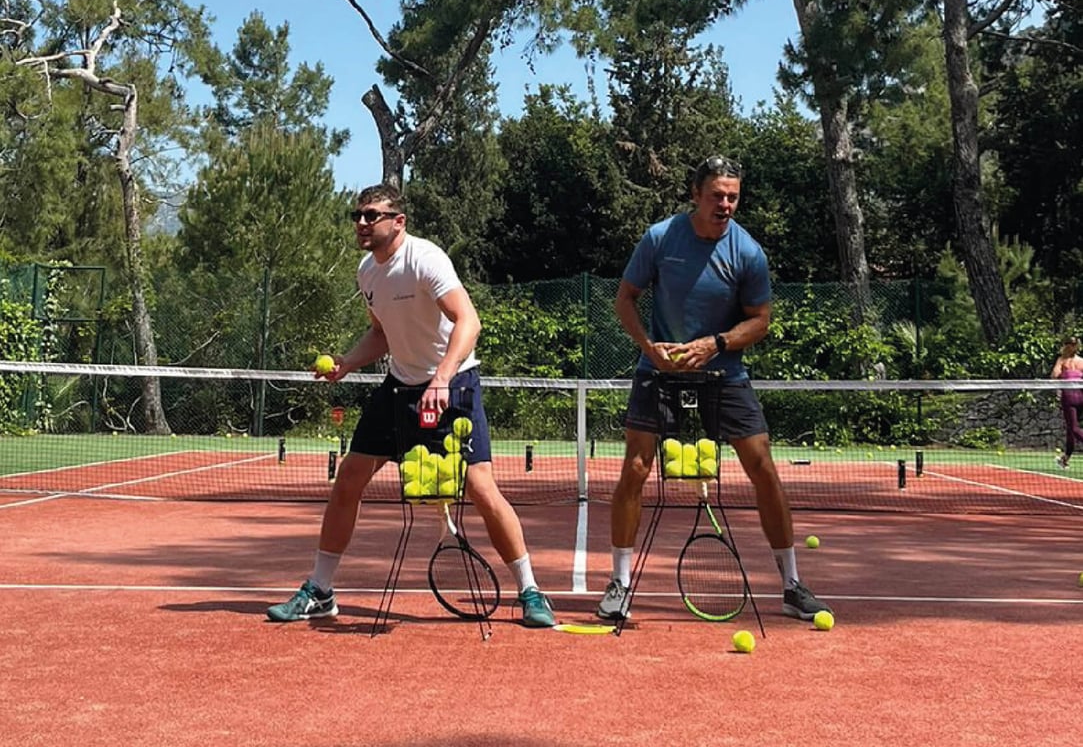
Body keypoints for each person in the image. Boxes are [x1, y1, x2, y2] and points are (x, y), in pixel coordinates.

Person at [267, 183, 556, 628]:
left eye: (371, 215)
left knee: (480, 488)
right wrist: (346, 362)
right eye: (357, 216)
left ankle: (530, 591)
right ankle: (320, 590)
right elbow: (381, 334)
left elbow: (469, 320)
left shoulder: (426, 259)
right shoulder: (367, 271)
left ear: (397, 221)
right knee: (348, 481)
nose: (362, 223)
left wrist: (441, 378)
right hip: (398, 389)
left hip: (453, 384)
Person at [597, 155, 832, 622]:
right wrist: (650, 347)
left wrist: (716, 343)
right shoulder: (660, 238)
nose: (725, 204)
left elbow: (761, 321)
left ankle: (791, 585)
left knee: (763, 467)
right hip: (658, 370)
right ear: (695, 195)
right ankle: (620, 585)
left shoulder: (748, 252)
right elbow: (625, 298)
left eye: (733, 196)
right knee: (637, 467)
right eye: (717, 195)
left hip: (725, 373)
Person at [1050, 335, 1083, 469]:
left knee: (1074, 429)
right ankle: (1065, 459)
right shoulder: (1080, 361)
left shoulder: (1063, 361)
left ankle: (1065, 459)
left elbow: (1054, 375)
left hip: (1070, 398)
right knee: (1070, 430)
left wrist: (1061, 363)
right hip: (1077, 397)